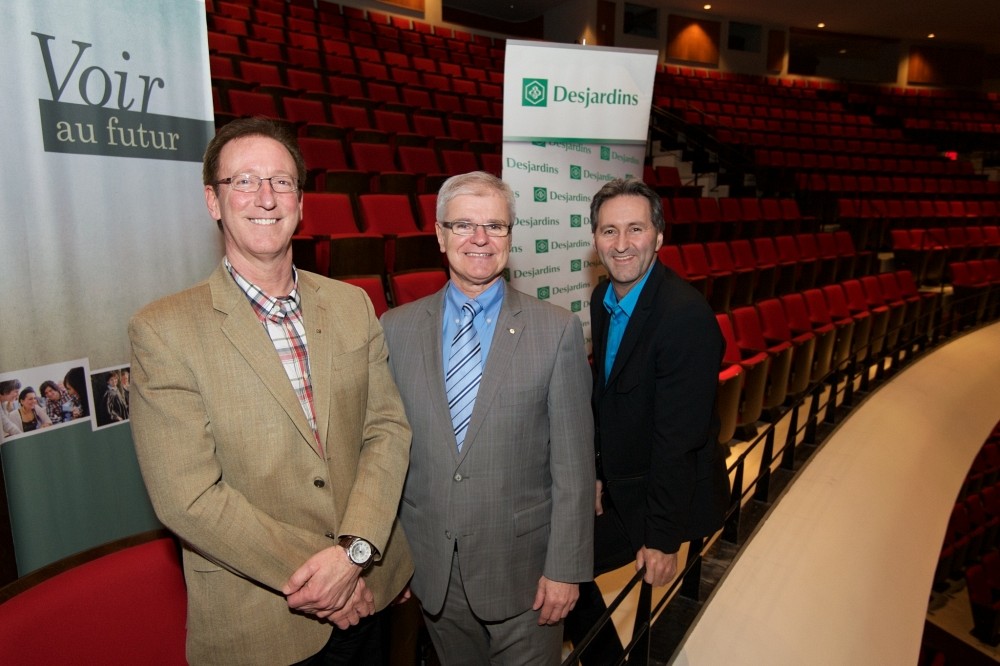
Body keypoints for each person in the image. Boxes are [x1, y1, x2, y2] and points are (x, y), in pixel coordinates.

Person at [128, 117, 413, 666]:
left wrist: (356, 552)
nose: (265, 197)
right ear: (212, 201)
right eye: (244, 181)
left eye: (281, 182)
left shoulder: (352, 304)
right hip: (263, 622)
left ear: (300, 203)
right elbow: (188, 497)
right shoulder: (163, 330)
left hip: (371, 594)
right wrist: (331, 574)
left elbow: (387, 430)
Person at [380, 171, 595, 665]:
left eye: (495, 226)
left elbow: (574, 467)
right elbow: (386, 454)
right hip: (434, 572)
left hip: (527, 575)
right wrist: (394, 561)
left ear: (510, 237)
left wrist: (566, 568)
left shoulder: (556, 331)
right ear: (440, 235)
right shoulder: (395, 329)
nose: (480, 238)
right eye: (463, 225)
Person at [565, 178, 731, 663]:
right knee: (561, 560)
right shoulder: (603, 297)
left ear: (658, 236)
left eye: (635, 229)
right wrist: (597, 474)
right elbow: (605, 399)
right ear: (595, 239)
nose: (621, 244)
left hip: (661, 494)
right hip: (623, 478)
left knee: (564, 564)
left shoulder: (685, 317)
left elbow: (679, 441)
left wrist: (660, 538)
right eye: (609, 230)